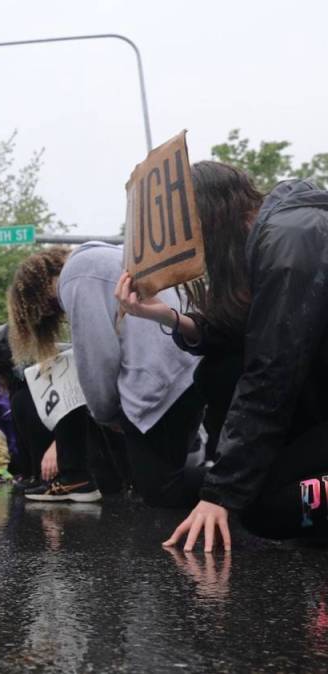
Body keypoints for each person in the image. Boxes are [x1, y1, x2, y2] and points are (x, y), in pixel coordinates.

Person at [118, 164, 328, 550]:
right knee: (219, 372)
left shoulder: (291, 240)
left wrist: (221, 495)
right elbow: (241, 334)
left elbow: (271, 372)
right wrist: (165, 314)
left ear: (208, 218)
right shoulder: (269, 237)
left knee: (264, 507)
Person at [8, 246, 203, 506]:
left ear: (37, 300)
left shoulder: (76, 277)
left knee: (162, 489)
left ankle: (245, 488)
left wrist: (105, 414)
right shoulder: (105, 257)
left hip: (159, 378)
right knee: (163, 476)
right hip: (186, 362)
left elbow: (96, 356)